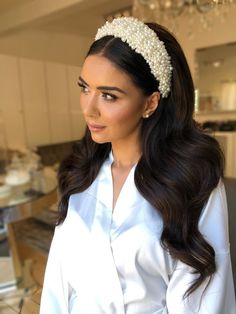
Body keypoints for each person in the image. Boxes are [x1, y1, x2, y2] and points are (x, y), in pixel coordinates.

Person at [40, 17, 236, 313]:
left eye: (108, 95)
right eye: (84, 88)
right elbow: (58, 278)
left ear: (150, 103)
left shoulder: (192, 182)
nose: (88, 108)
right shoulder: (80, 173)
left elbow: (204, 299)